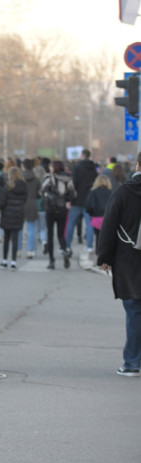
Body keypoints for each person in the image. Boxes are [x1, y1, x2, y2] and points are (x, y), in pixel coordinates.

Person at [97, 152, 141, 376]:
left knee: (134, 310)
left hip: (129, 259)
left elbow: (109, 225)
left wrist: (104, 257)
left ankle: (132, 363)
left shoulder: (123, 191)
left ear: (138, 164)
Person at [39, 160, 76, 270]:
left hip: (51, 208)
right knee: (61, 234)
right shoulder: (68, 178)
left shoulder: (50, 178)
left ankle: (51, 260)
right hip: (63, 208)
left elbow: (41, 191)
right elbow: (73, 193)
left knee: (50, 234)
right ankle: (64, 250)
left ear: (53, 168)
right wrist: (67, 200)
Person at [0, 167, 27, 270]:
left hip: (7, 215)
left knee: (6, 239)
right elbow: (24, 200)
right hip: (18, 215)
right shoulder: (24, 187)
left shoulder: (7, 187)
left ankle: (5, 261)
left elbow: (0, 203)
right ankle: (14, 262)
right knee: (15, 239)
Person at [66, 149, 98, 254]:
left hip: (76, 199)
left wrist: (69, 199)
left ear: (82, 155)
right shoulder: (93, 168)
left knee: (71, 223)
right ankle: (89, 246)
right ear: (89, 156)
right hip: (89, 200)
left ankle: (67, 245)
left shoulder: (77, 167)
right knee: (89, 224)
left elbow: (73, 184)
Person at [85, 174, 113, 250]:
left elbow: (88, 206)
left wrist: (91, 214)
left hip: (97, 218)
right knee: (107, 238)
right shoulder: (111, 192)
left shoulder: (93, 192)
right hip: (108, 218)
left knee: (98, 237)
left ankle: (98, 254)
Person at [21, 159, 41, 259]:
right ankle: (30, 251)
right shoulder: (36, 179)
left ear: (23, 166)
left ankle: (18, 250)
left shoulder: (20, 178)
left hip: (20, 203)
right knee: (31, 228)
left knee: (19, 228)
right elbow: (39, 193)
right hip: (32, 203)